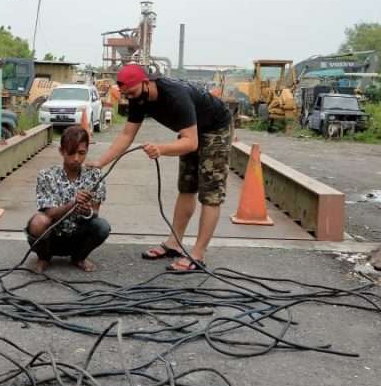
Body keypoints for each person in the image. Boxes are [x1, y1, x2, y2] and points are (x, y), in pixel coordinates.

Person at [91, 64, 232, 271]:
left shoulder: (175, 95)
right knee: (186, 187)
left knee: (210, 193)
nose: (129, 97)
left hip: (215, 128)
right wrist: (100, 163)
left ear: (146, 82)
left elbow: (191, 143)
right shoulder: (138, 97)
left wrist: (161, 148)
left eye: (131, 92)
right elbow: (126, 135)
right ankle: (173, 244)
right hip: (190, 131)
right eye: (125, 94)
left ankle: (198, 255)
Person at [26, 126, 110, 273]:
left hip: (78, 235)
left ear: (87, 151)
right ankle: (43, 257)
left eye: (81, 153)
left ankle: (79, 257)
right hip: (52, 236)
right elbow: (49, 214)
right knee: (38, 222)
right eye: (71, 153)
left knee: (102, 226)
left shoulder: (95, 175)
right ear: (61, 151)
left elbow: (95, 212)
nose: (76, 158)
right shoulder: (47, 175)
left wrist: (87, 211)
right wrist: (73, 204)